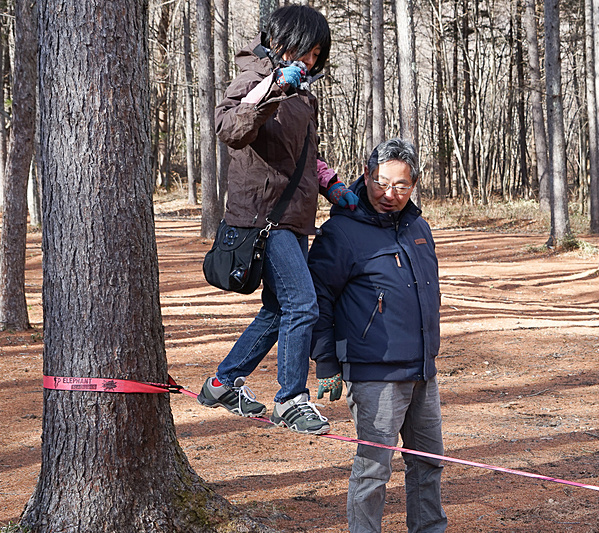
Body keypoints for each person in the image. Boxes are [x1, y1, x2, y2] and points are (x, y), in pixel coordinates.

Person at [196, 5, 358, 436]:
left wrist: (332, 184)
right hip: (263, 218)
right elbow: (229, 127)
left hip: (294, 218)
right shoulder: (252, 78)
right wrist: (273, 88)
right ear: (281, 41)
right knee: (302, 304)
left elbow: (306, 157)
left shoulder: (303, 95)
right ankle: (290, 400)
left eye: (317, 55)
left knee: (277, 308)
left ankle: (222, 383)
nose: (310, 61)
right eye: (307, 51)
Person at [308, 138, 447, 532]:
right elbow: (318, 300)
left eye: (400, 185)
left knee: (429, 463)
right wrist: (326, 362)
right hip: (374, 374)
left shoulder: (419, 227)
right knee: (373, 471)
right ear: (366, 175)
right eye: (381, 183)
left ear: (414, 184)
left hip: (423, 371)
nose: (389, 194)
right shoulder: (341, 231)